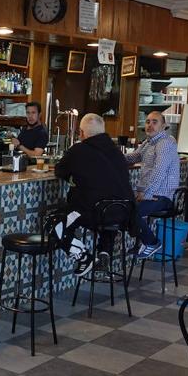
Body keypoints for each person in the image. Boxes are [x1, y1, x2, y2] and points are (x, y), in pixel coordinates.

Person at [54, 113, 136, 276]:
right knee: (109, 210)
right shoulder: (117, 151)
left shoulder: (78, 150)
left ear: (82, 133)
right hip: (124, 213)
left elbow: (59, 170)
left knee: (55, 224)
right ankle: (104, 252)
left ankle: (84, 258)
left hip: (93, 212)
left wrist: (72, 178)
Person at [125, 111, 180, 258]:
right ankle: (141, 239)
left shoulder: (165, 143)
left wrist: (146, 194)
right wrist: (110, 157)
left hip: (162, 196)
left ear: (163, 126)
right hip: (152, 194)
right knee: (126, 208)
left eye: (155, 122)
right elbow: (133, 157)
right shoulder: (148, 142)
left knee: (132, 211)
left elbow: (159, 171)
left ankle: (152, 242)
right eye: (148, 122)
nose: (150, 125)